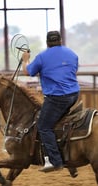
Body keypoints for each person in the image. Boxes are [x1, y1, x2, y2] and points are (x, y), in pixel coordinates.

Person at [21, 30, 80, 175]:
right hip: (74, 95)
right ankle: (69, 160)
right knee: (58, 122)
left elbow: (27, 72)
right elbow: (72, 72)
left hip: (56, 99)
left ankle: (55, 161)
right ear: (60, 40)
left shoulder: (42, 57)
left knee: (44, 126)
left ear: (47, 43)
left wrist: (25, 59)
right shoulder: (72, 54)